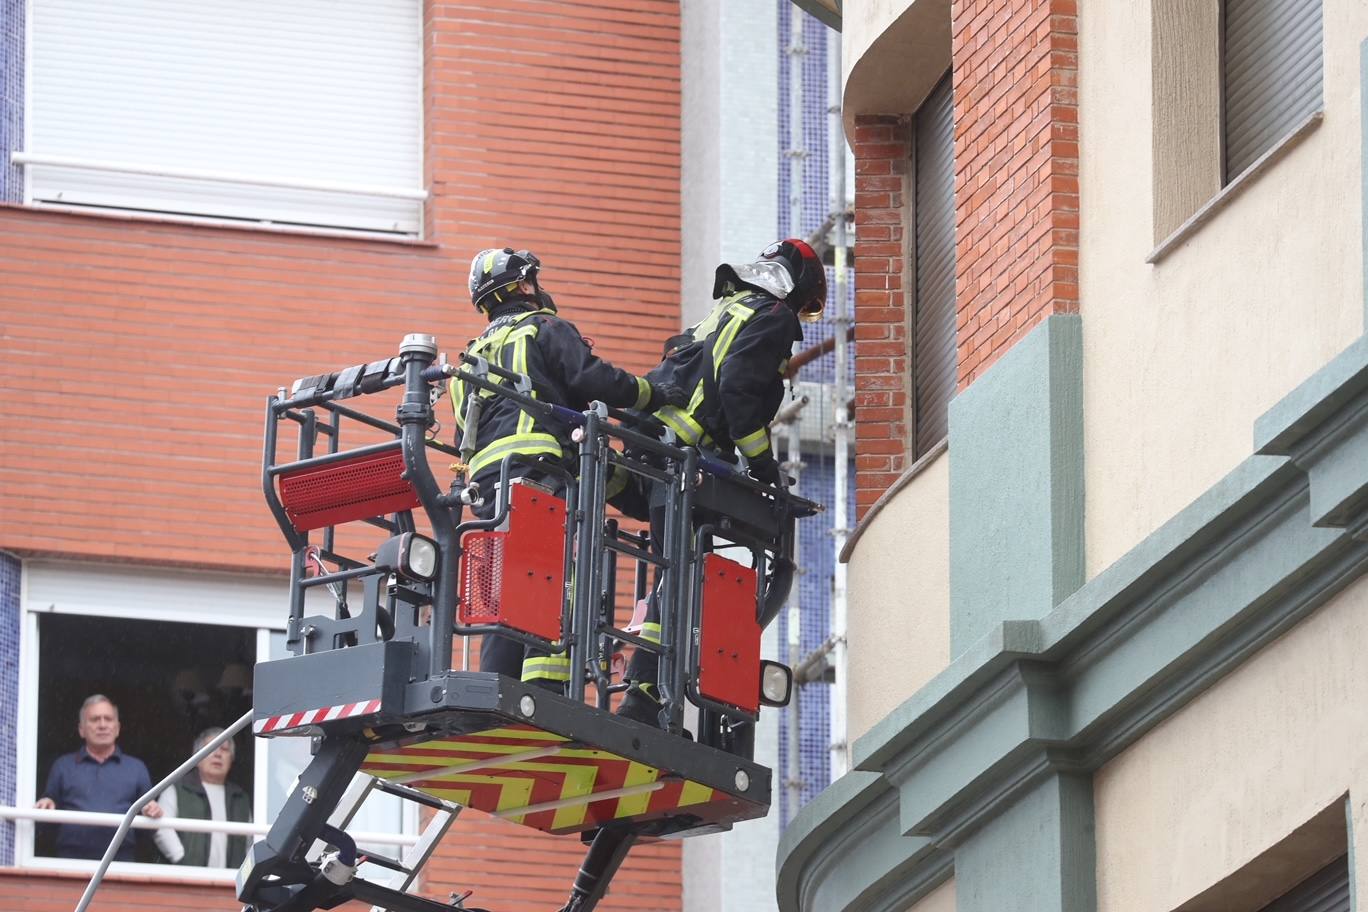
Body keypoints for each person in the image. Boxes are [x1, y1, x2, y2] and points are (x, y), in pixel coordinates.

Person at [453, 247, 686, 689]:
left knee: (507, 584)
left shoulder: (469, 361)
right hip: (541, 474)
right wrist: (653, 395)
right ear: (524, 285)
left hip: (487, 488)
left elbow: (465, 432)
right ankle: (546, 687)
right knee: (558, 575)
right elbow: (592, 378)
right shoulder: (542, 328)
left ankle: (496, 683)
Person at [616, 238, 827, 725]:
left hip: (659, 450)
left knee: (677, 569)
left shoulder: (727, 310)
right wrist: (762, 469)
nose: (802, 315)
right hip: (688, 461)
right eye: (809, 305)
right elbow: (737, 391)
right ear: (798, 287)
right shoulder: (772, 317)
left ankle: (647, 691)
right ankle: (643, 694)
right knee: (683, 573)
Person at [35, 694, 162, 861]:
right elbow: (48, 808)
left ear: (117, 728)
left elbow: (148, 817)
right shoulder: (63, 766)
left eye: (108, 719)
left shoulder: (136, 768)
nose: (102, 725)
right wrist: (46, 803)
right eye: (95, 719)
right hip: (71, 861)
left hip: (120, 862)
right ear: (81, 729)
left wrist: (152, 810)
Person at [154, 727, 253, 868]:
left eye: (224, 749)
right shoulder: (177, 790)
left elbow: (251, 842)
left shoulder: (240, 799)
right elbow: (162, 829)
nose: (218, 754)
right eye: (211, 748)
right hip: (186, 880)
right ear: (197, 757)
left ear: (231, 759)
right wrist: (182, 860)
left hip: (230, 883)